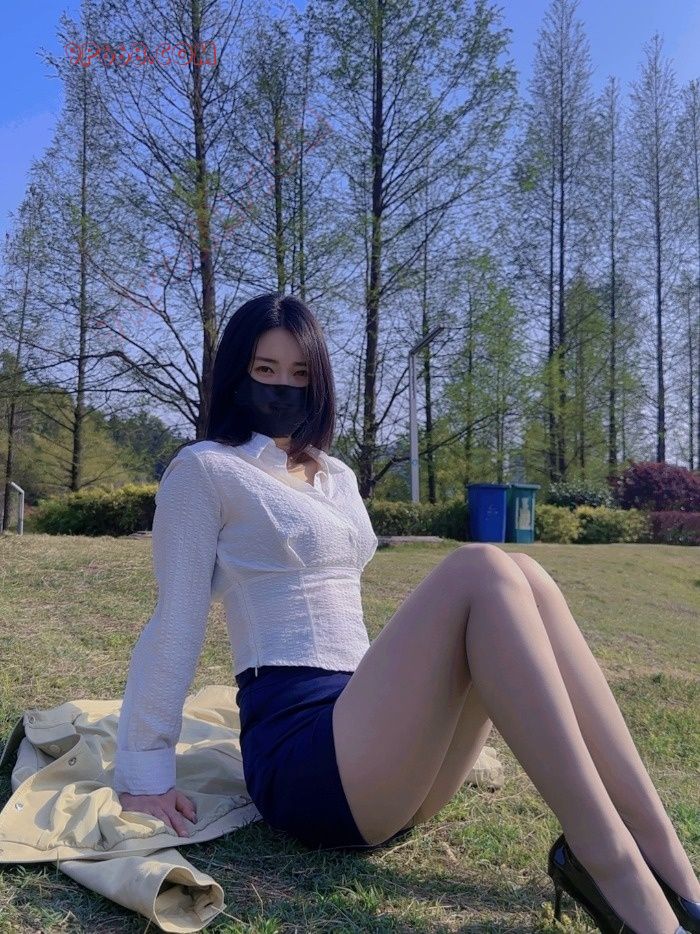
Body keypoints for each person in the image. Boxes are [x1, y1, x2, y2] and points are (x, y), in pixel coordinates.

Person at [114, 292, 699, 934]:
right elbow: (175, 620)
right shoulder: (205, 469)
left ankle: (665, 858)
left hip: (378, 746)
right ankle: (609, 862)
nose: (284, 387)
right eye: (265, 369)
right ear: (235, 373)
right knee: (480, 568)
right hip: (304, 754)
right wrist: (146, 770)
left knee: (526, 575)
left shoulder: (335, 477)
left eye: (300, 373)